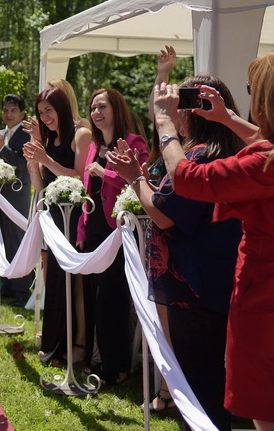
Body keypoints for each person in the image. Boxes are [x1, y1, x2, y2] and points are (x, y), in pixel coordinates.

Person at [152, 48, 274, 429]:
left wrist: (165, 124)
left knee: (272, 419)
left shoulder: (271, 164)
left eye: (253, 89)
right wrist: (227, 118)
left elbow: (188, 179)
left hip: (270, 308)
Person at [106, 74, 242, 430]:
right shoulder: (233, 149)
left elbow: (165, 215)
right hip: (220, 277)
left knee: (198, 385)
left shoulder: (197, 155)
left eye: (179, 106)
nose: (175, 115)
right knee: (212, 377)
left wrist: (135, 178)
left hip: (194, 285)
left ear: (193, 111)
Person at [77, 87, 148, 386]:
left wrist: (103, 172)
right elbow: (86, 191)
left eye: (102, 106)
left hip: (119, 231)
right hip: (94, 230)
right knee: (96, 298)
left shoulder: (134, 142)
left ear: (117, 109)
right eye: (93, 108)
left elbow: (140, 179)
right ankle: (99, 360)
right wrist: (81, 229)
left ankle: (116, 368)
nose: (96, 113)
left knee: (112, 300)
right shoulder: (94, 146)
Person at [22, 86, 91, 366]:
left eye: (48, 110)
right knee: (56, 283)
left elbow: (80, 176)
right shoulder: (49, 140)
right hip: (53, 218)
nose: (45, 117)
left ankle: (78, 346)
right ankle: (55, 344)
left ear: (61, 107)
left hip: (75, 218)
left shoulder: (81, 134)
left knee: (74, 284)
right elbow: (41, 187)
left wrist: (45, 159)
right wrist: (32, 166)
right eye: (41, 113)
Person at [0, 94, 33, 304]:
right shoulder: (1, 133)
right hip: (0, 195)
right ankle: (8, 286)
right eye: (5, 110)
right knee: (3, 239)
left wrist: (2, 148)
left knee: (17, 241)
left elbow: (22, 165)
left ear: (22, 113)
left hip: (17, 195)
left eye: (13, 110)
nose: (8, 114)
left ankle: (23, 291)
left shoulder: (26, 134)